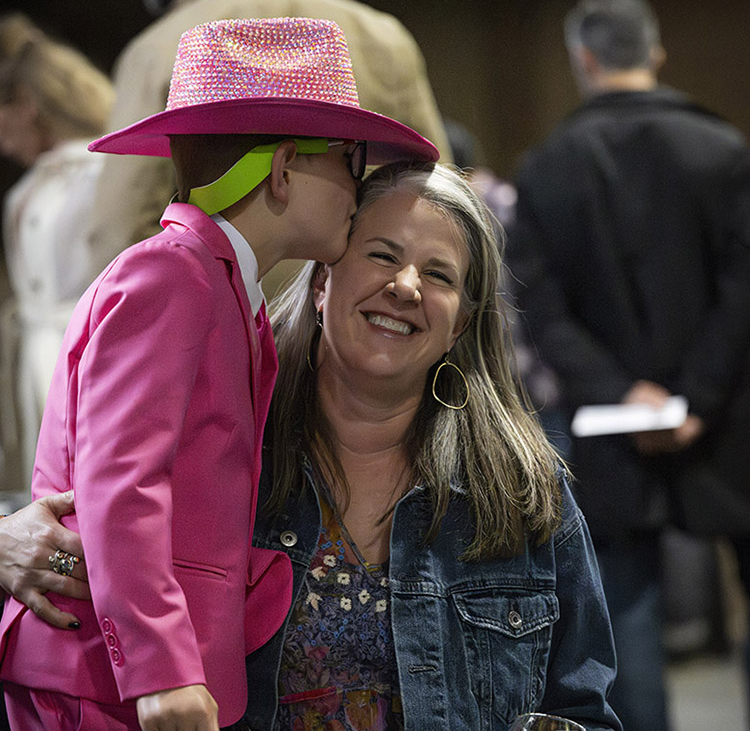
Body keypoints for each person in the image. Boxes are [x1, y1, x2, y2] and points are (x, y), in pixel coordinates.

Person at [0, 161, 621, 730]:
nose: (406, 286)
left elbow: (580, 709)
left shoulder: (520, 487)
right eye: (382, 255)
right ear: (322, 283)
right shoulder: (223, 455)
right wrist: (8, 543)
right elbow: (110, 524)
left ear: (459, 325)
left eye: (438, 275)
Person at [0, 17, 436, 731]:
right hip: (108, 678)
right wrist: (162, 671)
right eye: (351, 161)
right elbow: (122, 479)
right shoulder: (170, 277)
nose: (359, 191)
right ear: (284, 167)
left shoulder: (223, 285)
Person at [509, 0, 750, 731]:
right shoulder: (726, 151)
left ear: (582, 59)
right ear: (655, 54)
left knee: (625, 612)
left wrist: (623, 393)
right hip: (733, 417)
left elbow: (538, 305)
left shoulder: (546, 167)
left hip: (612, 426)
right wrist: (700, 395)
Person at [86, 0, 453, 288]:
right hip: (361, 337)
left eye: (350, 157)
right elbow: (440, 205)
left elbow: (118, 229)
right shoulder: (383, 37)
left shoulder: (159, 49)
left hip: (207, 327)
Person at [0, 13, 114, 494]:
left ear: (27, 106)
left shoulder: (99, 173)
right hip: (38, 353)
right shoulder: (45, 180)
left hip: (83, 351)